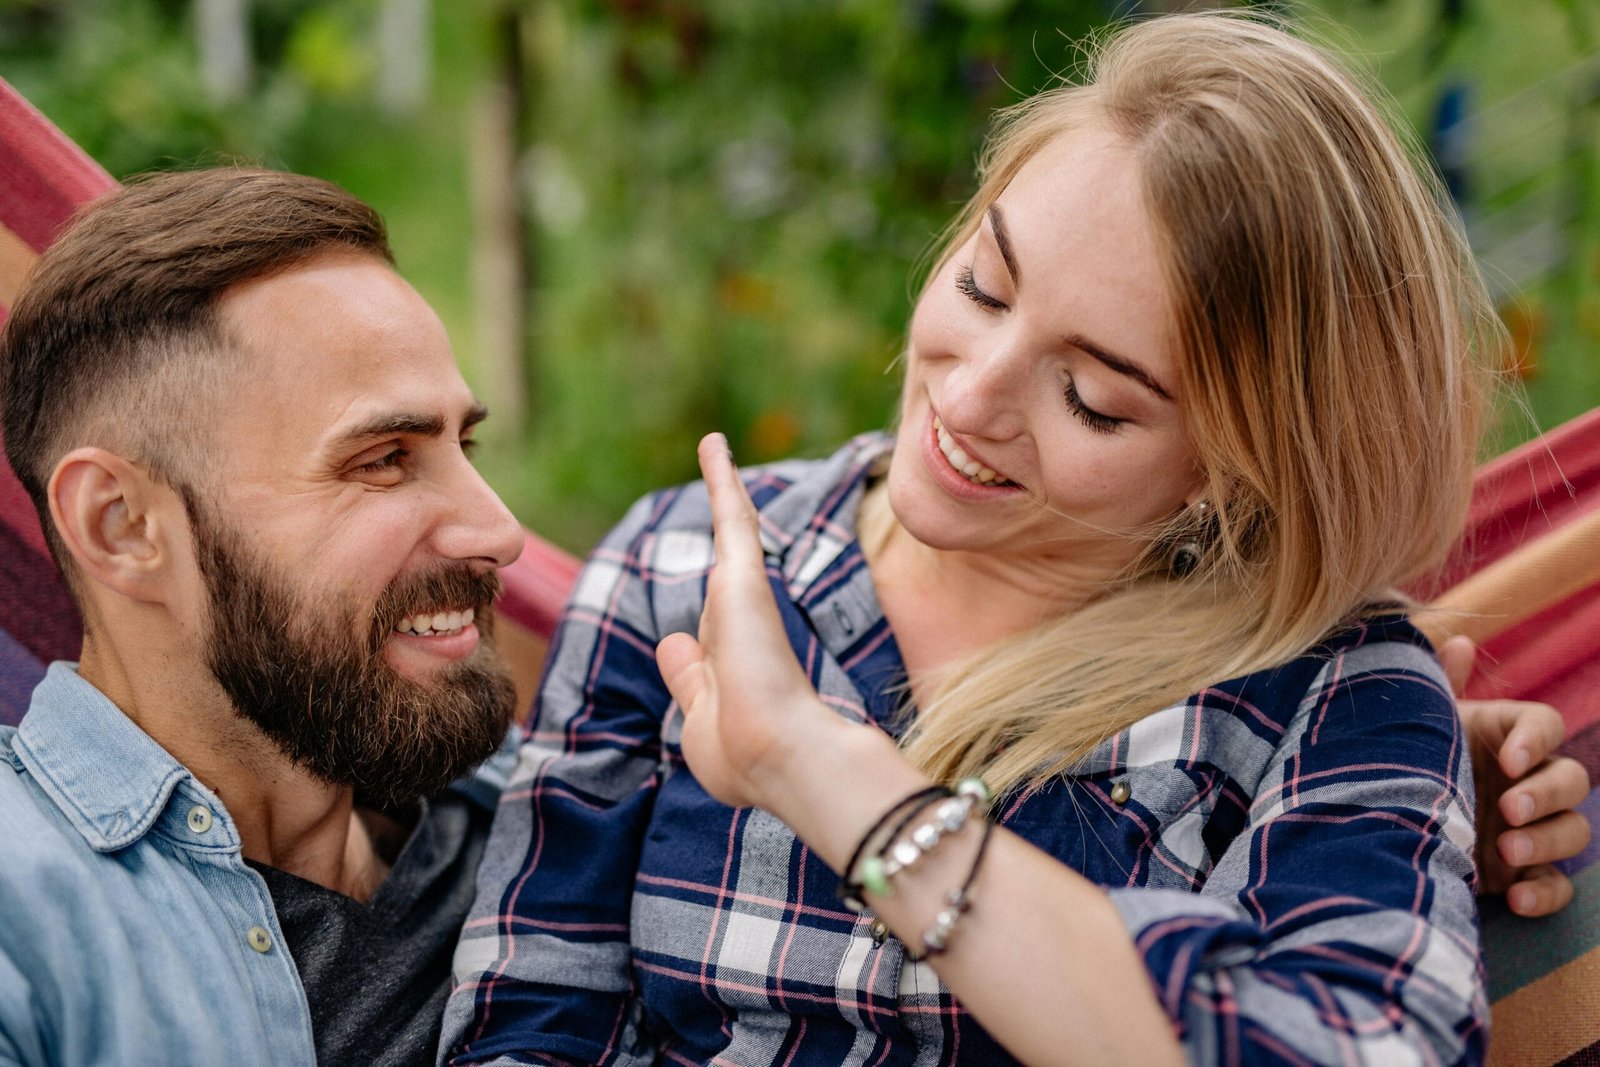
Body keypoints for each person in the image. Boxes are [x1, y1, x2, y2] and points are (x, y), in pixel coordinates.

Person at [442, 13, 1589, 1066]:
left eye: (1093, 395)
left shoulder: (1327, 696)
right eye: (986, 286)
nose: (971, 396)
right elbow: (528, 1021)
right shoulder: (686, 560)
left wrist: (831, 775)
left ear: (1236, 469)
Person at [0, 169, 527, 1065]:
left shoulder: (550, 807)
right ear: (122, 526)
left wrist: (830, 805)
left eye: (461, 444)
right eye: (384, 460)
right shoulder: (25, 926)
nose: (501, 532)